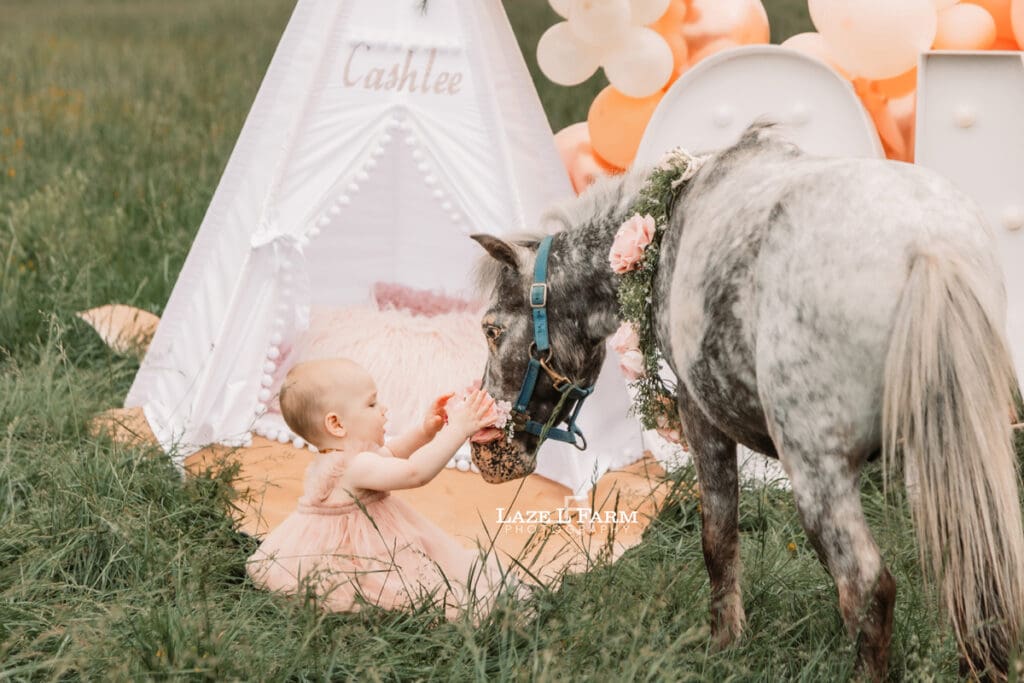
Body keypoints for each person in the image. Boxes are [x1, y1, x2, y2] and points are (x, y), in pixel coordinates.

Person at [246, 357, 508, 619]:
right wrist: (459, 430)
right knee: (417, 590)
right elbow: (415, 473)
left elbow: (391, 452)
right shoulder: (356, 467)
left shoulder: (340, 458)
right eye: (371, 404)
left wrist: (424, 432)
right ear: (336, 424)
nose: (383, 409)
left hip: (347, 544)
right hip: (362, 553)